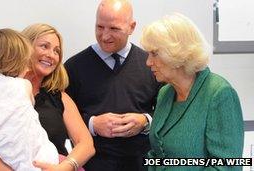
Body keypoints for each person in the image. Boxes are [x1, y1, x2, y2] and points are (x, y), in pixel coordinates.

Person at [0, 24, 95, 171]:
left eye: (57, 51)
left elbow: (86, 144)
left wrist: (66, 167)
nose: (51, 55)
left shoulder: (59, 97)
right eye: (44, 46)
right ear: (24, 48)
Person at [64, 0, 161, 170]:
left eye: (114, 29)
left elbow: (169, 112)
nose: (105, 36)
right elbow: (59, 117)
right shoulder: (73, 67)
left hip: (143, 164)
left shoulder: (152, 64)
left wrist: (145, 121)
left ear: (132, 27)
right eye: (99, 27)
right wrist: (92, 125)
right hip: (92, 164)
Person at [141, 13, 244, 170]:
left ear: (177, 53)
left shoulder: (219, 94)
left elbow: (227, 167)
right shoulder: (165, 93)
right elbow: (157, 155)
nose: (148, 62)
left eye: (154, 53)